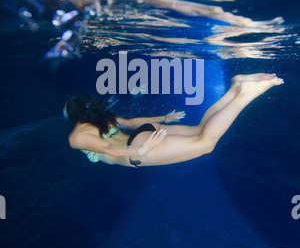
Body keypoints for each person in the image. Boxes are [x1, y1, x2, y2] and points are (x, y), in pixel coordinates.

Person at [65, 73, 283, 167]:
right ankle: (235, 87)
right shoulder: (102, 117)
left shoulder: (76, 137)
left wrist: (138, 152)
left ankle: (245, 93)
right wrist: (164, 118)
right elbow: (132, 123)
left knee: (205, 144)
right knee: (201, 130)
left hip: (139, 150)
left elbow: (107, 148)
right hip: (143, 134)